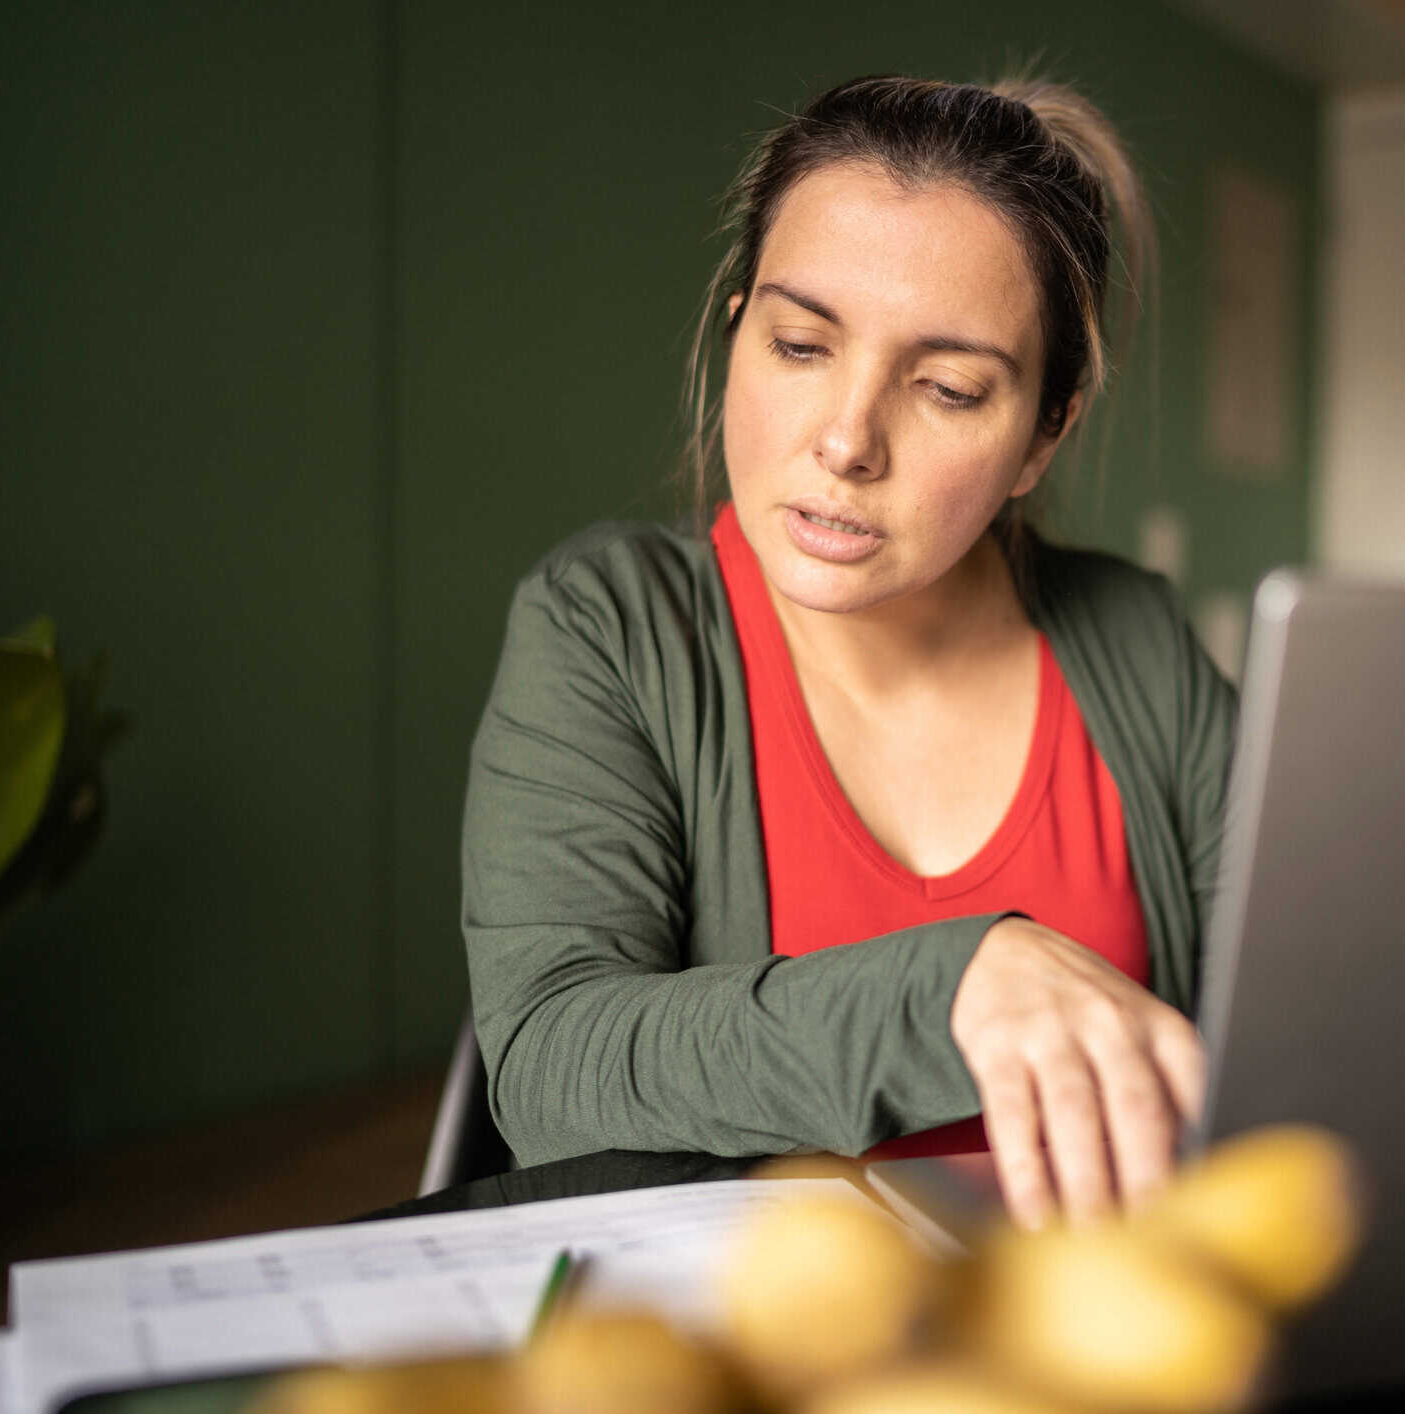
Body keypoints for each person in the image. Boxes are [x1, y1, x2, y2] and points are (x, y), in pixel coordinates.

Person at [462, 74, 1236, 1230]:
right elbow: (553, 1065)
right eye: (801, 344)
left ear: (1043, 434)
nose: (845, 439)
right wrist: (953, 987)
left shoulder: (1137, 642)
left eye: (948, 387)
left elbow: (1310, 1007)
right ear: (737, 333)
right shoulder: (606, 625)